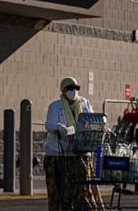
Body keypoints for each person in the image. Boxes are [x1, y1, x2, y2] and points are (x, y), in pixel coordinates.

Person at [43, 77, 105, 211]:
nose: (73, 91)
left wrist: (101, 126)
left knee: (82, 190)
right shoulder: (55, 106)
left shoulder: (84, 104)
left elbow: (92, 119)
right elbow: (49, 124)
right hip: (59, 153)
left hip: (79, 152)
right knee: (60, 191)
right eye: (70, 88)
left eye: (76, 88)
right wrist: (58, 127)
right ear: (64, 90)